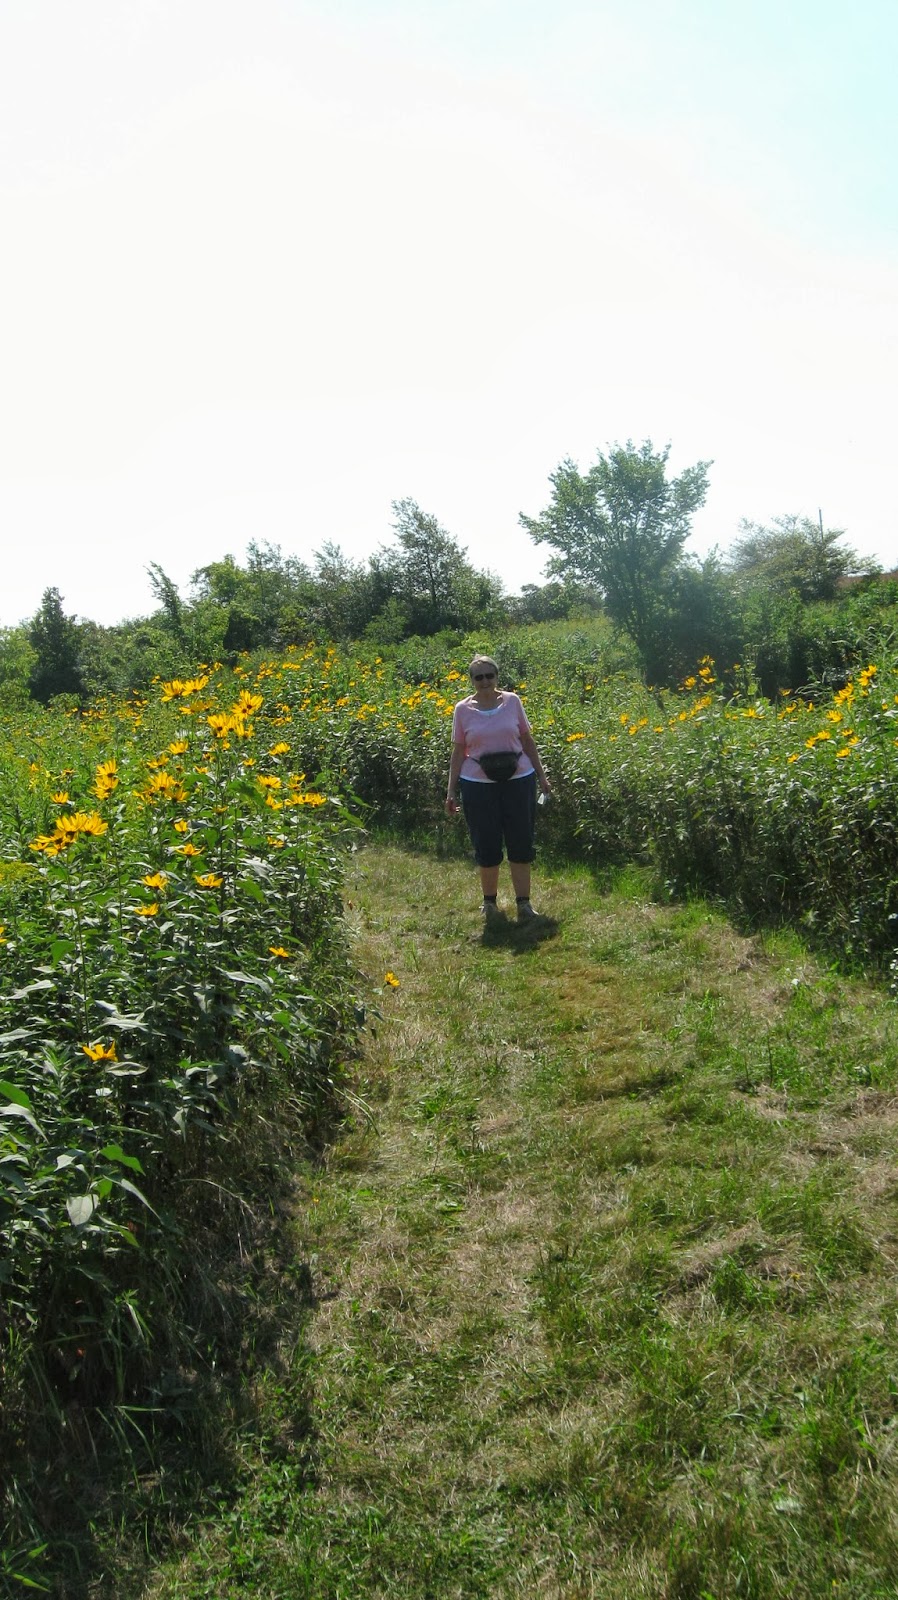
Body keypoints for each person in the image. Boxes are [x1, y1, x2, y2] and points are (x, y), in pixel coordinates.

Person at [444, 654, 551, 921]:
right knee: (486, 842)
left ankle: (524, 904)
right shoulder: (462, 710)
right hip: (478, 785)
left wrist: (542, 776)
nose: (485, 681)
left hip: (519, 781)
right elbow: (458, 751)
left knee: (521, 841)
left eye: (489, 675)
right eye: (478, 677)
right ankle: (489, 903)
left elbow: (527, 740)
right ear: (471, 680)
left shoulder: (513, 702)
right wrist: (451, 790)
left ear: (497, 677)